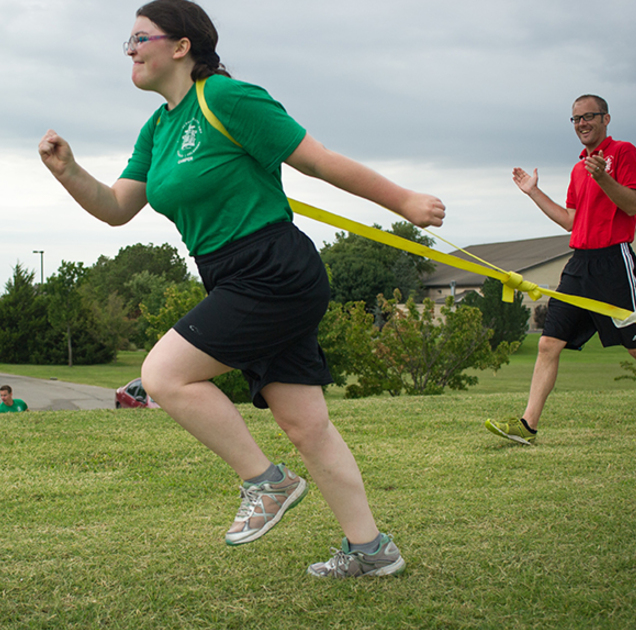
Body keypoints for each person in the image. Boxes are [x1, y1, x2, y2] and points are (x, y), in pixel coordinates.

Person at [38, 0, 445, 577]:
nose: (129, 50)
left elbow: (319, 162)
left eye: (140, 38)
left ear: (181, 46)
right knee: (306, 425)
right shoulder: (157, 129)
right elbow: (115, 208)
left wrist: (404, 202)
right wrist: (69, 172)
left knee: (162, 375)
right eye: (125, 41)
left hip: (273, 269)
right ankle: (372, 550)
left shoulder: (226, 98)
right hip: (230, 275)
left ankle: (268, 484)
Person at [487, 94, 636, 446]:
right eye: (575, 119)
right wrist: (534, 192)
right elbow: (572, 221)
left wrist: (603, 177)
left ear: (606, 119)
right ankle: (527, 426)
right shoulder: (578, 168)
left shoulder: (624, 153)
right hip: (579, 264)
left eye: (589, 117)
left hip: (614, 262)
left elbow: (632, 204)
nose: (582, 124)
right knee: (548, 343)